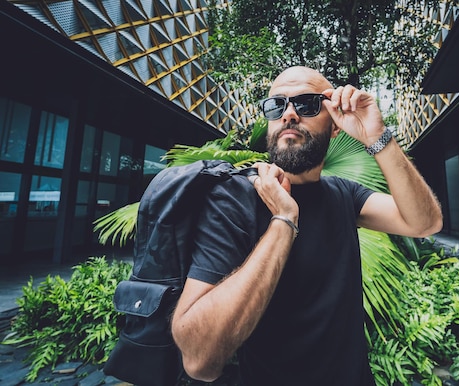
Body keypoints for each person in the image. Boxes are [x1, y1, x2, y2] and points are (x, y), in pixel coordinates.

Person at [171, 66, 443, 385]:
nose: (289, 114)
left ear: (335, 126)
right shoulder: (235, 198)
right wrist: (284, 221)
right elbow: (198, 359)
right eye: (277, 105)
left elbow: (425, 222)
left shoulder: (345, 194)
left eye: (307, 104)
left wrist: (376, 137)